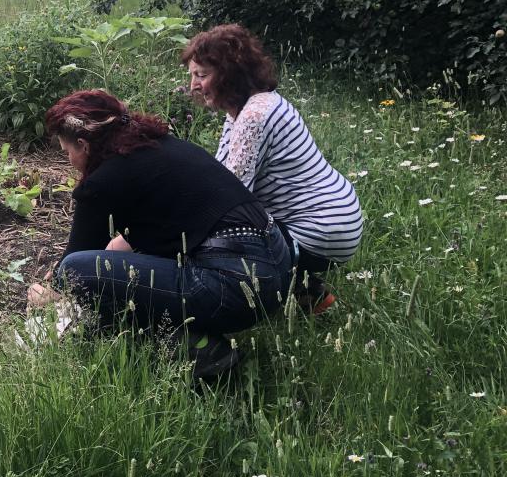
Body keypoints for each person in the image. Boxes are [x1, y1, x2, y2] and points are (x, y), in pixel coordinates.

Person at [27, 89, 293, 381]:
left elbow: (74, 270)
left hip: (234, 285)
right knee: (120, 262)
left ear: (83, 145)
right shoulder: (160, 147)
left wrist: (49, 297)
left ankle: (200, 349)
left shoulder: (102, 182)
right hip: (278, 264)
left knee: (78, 270)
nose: (69, 161)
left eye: (67, 153)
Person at [181, 24, 363, 313]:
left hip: (321, 229)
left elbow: (229, 196)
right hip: (333, 222)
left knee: (223, 238)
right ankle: (313, 297)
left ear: (230, 73)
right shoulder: (244, 111)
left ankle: (241, 303)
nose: (193, 85)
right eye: (192, 75)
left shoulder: (255, 115)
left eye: (201, 75)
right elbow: (218, 177)